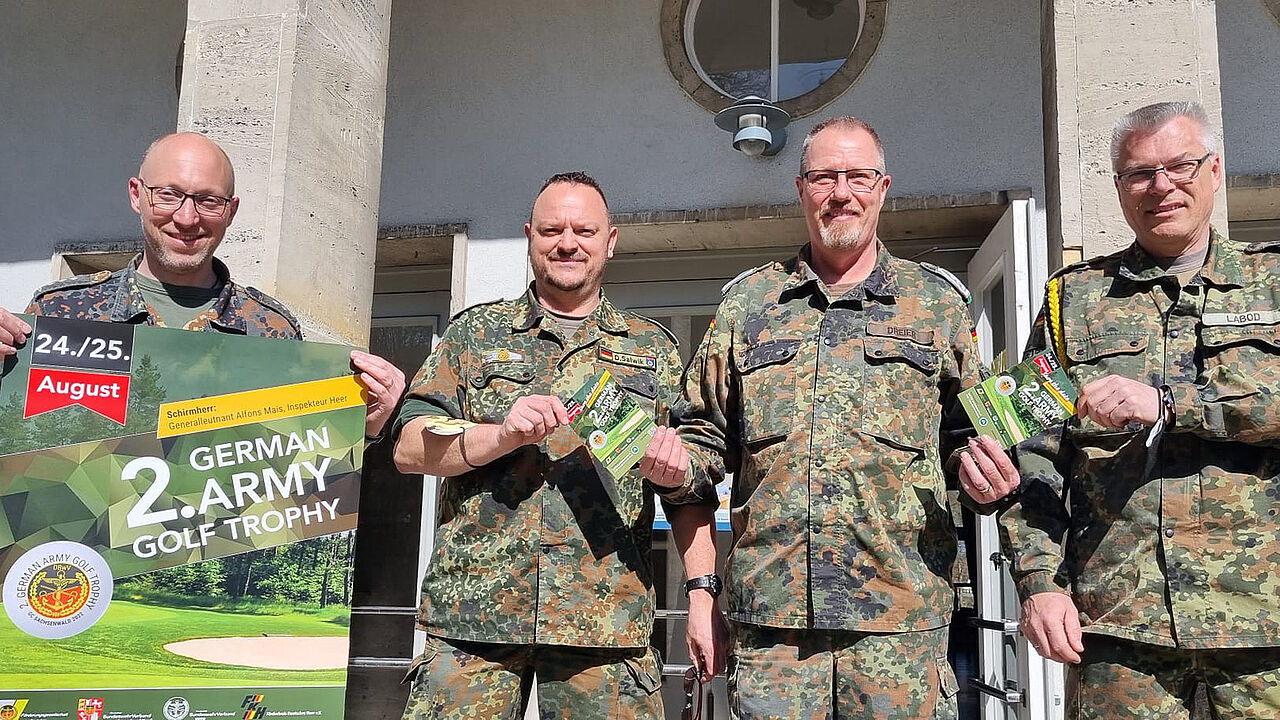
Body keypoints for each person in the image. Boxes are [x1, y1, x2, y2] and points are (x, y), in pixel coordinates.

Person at [644, 116, 1020, 719]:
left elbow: (973, 435)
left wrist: (986, 480)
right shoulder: (748, 306)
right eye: (823, 177)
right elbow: (700, 443)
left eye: (857, 177)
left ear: (883, 187)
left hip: (901, 624)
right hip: (772, 630)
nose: (840, 193)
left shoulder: (937, 305)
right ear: (801, 190)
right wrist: (696, 579)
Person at [391, 172, 717, 720]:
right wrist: (500, 435)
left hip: (605, 623)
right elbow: (408, 447)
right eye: (552, 229)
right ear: (529, 236)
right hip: (476, 620)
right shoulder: (476, 335)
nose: (568, 242)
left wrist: (702, 590)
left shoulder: (652, 349)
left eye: (584, 230)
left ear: (610, 241)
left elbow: (695, 487)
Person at [1001, 101, 1280, 718]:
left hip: (1265, 625)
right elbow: (1028, 456)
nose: (1161, 187)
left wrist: (1174, 404)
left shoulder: (1274, 283)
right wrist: (1040, 584)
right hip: (1122, 624)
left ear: (1214, 170)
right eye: (1139, 173)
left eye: (1179, 166)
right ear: (1120, 187)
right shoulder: (1068, 300)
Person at [0, 131, 404, 440]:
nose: (188, 218)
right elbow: (21, 440)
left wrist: (364, 426)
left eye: (209, 201)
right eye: (169, 195)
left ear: (231, 212)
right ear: (137, 195)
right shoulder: (63, 313)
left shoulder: (271, 331)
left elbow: (297, 460)